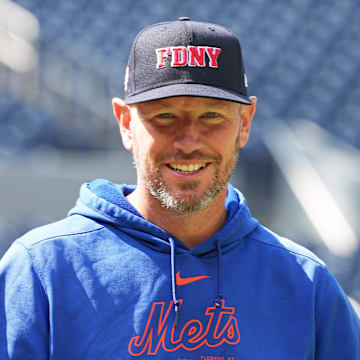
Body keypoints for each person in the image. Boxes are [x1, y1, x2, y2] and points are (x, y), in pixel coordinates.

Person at [0, 17, 359, 360]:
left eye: (212, 115)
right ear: (126, 123)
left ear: (245, 123)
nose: (188, 142)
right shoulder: (41, 269)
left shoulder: (306, 282)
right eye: (165, 116)